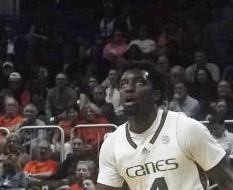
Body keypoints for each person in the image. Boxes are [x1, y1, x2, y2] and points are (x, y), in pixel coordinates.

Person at [96, 62, 233, 190]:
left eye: (139, 82)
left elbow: (227, 181)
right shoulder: (112, 144)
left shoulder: (186, 129)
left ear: (156, 94)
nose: (129, 88)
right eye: (123, 84)